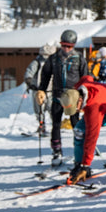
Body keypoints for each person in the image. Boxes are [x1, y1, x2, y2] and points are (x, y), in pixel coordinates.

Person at [37, 30, 87, 167]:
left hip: (73, 96)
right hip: (58, 95)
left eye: (69, 46)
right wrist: (41, 89)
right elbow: (46, 75)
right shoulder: (53, 58)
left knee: (76, 125)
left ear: (74, 45)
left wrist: (84, 95)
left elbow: (86, 78)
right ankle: (56, 151)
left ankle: (80, 151)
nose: (66, 49)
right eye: (64, 45)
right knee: (56, 124)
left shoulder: (79, 58)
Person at [24, 43, 55, 137]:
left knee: (51, 109)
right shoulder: (37, 62)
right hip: (38, 90)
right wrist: (30, 83)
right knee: (40, 110)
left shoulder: (54, 63)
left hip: (50, 90)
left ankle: (54, 127)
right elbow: (29, 73)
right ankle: (42, 126)